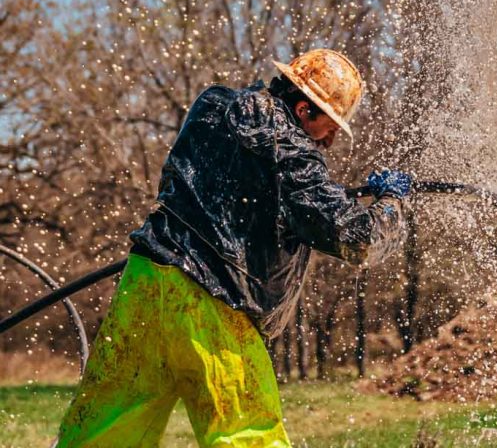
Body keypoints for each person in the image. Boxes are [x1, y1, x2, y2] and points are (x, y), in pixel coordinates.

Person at [55, 48, 411, 447]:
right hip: (213, 304)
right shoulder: (291, 150)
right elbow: (357, 239)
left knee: (105, 429)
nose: (330, 139)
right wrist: (390, 203)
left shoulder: (211, 106)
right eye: (330, 126)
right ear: (304, 109)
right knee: (245, 435)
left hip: (145, 281)